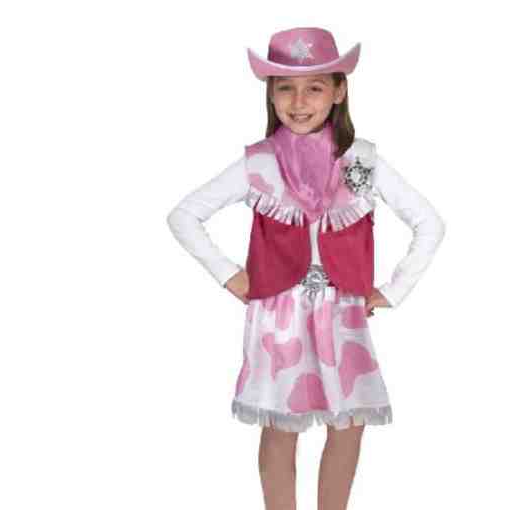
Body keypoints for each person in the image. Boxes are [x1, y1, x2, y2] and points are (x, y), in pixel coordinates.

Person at [167, 26, 446, 510]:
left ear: (338, 92)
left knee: (349, 422)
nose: (299, 102)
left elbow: (429, 223)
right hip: (279, 317)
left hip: (342, 313)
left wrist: (394, 289)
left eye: (314, 87)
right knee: (281, 425)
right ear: (270, 95)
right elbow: (184, 215)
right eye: (285, 89)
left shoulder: (362, 162)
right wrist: (229, 274)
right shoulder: (259, 164)